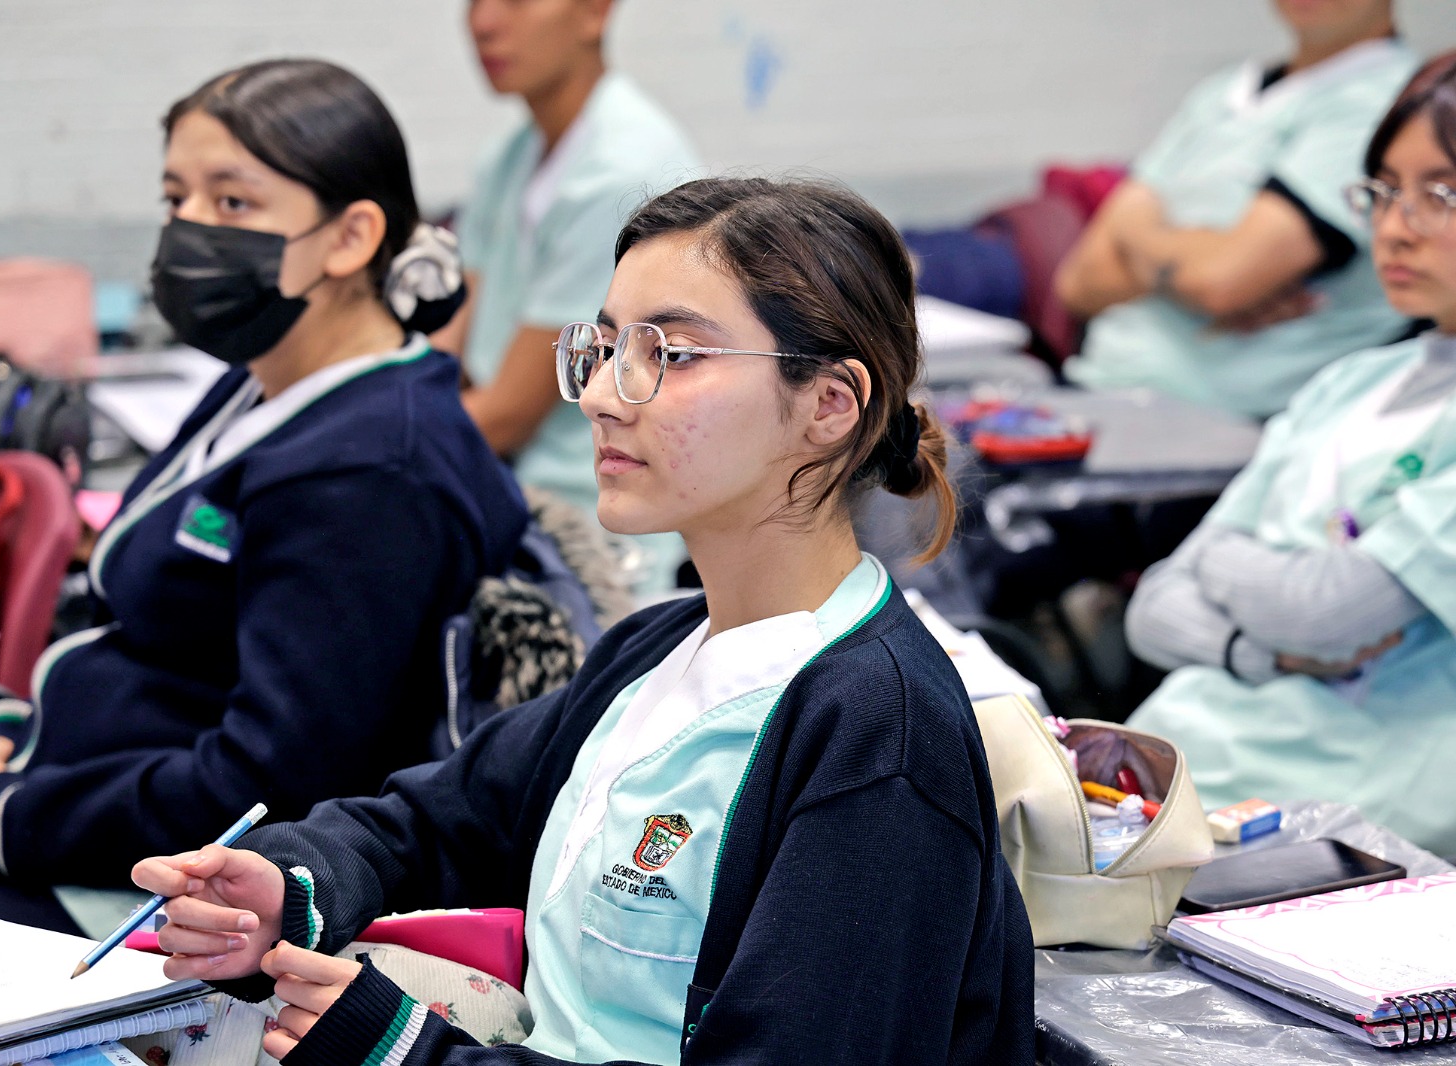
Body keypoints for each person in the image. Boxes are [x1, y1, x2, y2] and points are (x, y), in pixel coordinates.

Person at [134, 177, 1035, 1065]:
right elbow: (438, 818)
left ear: (830, 405)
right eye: (605, 349)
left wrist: (408, 1053)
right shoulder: (659, 650)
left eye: (671, 355)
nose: (604, 393)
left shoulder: (878, 736)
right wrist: (291, 887)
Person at [0, 59, 529, 931]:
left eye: (232, 203)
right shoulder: (269, 384)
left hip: (163, 898)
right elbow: (145, 649)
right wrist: (12, 744)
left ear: (351, 236)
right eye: (177, 198)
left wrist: (9, 816)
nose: (188, 230)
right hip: (72, 808)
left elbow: (269, 787)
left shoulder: (369, 474)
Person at [1125, 52, 1456, 857]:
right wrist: (1259, 648)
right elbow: (1155, 606)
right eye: (1381, 192)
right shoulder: (1348, 384)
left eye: (1440, 193)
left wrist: (1228, 566)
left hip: (1347, 812)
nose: (1394, 225)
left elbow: (1329, 612)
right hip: (1175, 766)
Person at [434, 0, 701, 590]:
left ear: (594, 12)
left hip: (597, 523)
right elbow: (449, 334)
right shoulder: (510, 160)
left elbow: (508, 415)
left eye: (516, 1)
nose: (483, 23)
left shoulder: (623, 171)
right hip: (507, 485)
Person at [1057, 0, 1417, 419]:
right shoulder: (1220, 95)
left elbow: (1219, 281)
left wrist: (1138, 225)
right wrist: (1194, 273)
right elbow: (1078, 283)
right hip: (1098, 391)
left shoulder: (1387, 103)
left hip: (1229, 422)